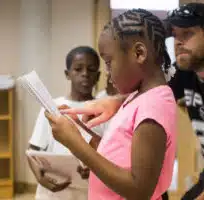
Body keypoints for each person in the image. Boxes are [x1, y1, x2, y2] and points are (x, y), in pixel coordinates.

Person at [62, 3, 204, 200]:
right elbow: (152, 93)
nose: (178, 43)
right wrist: (116, 102)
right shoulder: (186, 75)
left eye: (187, 34)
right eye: (175, 35)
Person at [45, 9, 177, 200]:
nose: (106, 72)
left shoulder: (153, 107)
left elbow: (139, 190)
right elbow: (121, 154)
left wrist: (76, 144)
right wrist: (81, 133)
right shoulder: (138, 98)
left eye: (108, 62)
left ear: (139, 54)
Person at [27, 46, 105, 200]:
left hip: (88, 193)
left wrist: (96, 168)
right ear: (67, 74)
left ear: (98, 76)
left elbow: (109, 156)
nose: (85, 74)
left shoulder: (104, 110)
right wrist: (39, 177)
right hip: (52, 193)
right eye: (78, 69)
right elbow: (32, 151)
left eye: (91, 69)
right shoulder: (51, 107)